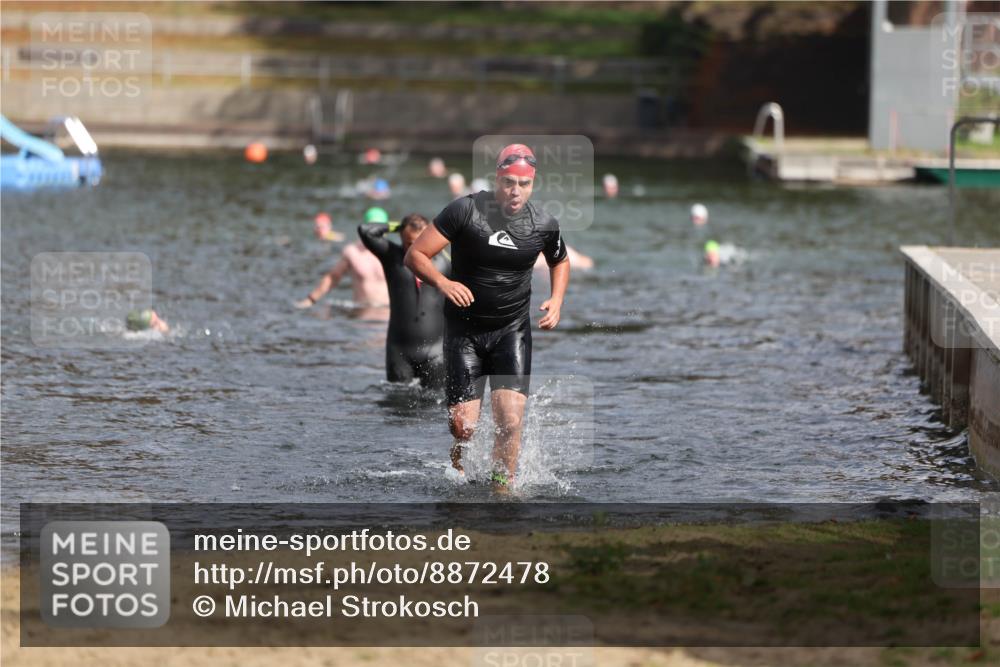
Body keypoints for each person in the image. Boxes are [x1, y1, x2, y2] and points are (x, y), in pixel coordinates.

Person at [405, 144, 570, 490]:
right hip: (464, 331)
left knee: (510, 420)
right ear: (497, 178)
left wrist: (556, 299)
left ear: (533, 184)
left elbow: (560, 260)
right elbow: (416, 255)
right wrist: (444, 282)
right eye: (509, 182)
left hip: (511, 330)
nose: (515, 191)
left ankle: (501, 486)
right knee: (463, 426)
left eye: (523, 184)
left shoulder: (543, 223)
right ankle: (458, 467)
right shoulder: (464, 210)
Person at [358, 213, 450, 387]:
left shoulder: (445, 262)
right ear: (401, 237)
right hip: (399, 351)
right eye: (409, 242)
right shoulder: (392, 256)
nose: (415, 248)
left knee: (435, 406)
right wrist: (398, 225)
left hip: (436, 351)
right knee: (397, 404)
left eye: (420, 241)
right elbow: (365, 230)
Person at [296, 207, 390, 310]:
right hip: (362, 314)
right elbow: (333, 277)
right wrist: (310, 300)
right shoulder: (353, 252)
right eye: (372, 226)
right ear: (364, 227)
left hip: (388, 313)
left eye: (380, 227)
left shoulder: (393, 252)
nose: (376, 231)